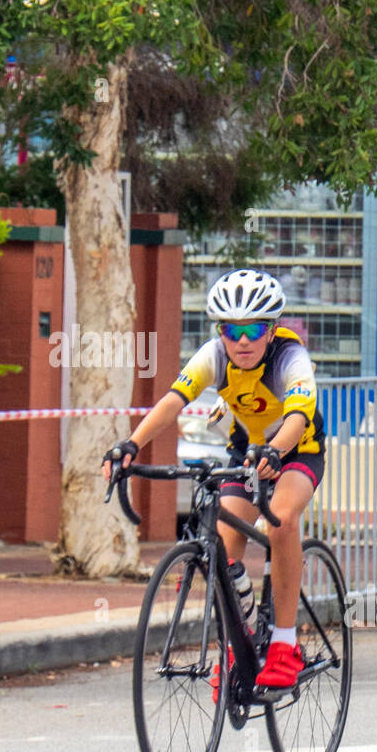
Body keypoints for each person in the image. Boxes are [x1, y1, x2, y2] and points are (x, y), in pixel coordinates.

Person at [100, 269, 324, 690]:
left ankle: (284, 643)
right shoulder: (214, 357)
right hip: (246, 451)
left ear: (272, 329)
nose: (242, 341)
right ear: (220, 331)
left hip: (297, 448)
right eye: (231, 330)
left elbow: (297, 415)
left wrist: (276, 449)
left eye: (254, 329)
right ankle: (240, 643)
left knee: (281, 519)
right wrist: (131, 444)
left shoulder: (289, 359)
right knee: (223, 546)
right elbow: (172, 402)